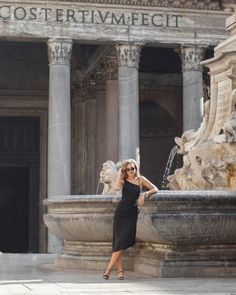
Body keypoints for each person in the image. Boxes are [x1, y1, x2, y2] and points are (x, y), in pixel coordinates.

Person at [103, 159, 158, 280]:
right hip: (121, 212)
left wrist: (145, 194)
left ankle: (109, 269)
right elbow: (117, 188)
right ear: (125, 170)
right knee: (119, 242)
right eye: (128, 169)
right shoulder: (123, 180)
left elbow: (155, 189)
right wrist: (120, 174)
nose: (131, 171)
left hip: (132, 213)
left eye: (133, 168)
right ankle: (118, 272)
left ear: (136, 168)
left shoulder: (140, 180)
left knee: (122, 241)